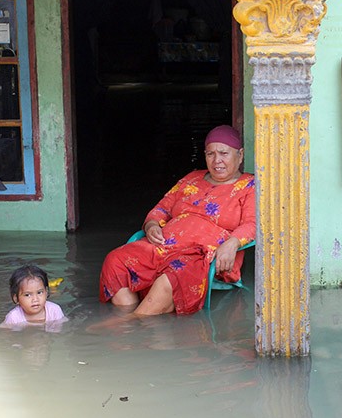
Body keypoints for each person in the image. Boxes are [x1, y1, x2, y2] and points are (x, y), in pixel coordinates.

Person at [98, 125, 256, 316]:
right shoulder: (192, 178)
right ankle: (131, 317)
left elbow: (253, 224)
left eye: (224, 153)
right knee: (115, 261)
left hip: (199, 254)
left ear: (240, 155)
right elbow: (162, 208)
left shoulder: (249, 185)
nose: (217, 161)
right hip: (162, 246)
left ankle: (128, 325)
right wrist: (152, 225)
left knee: (173, 275)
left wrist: (232, 243)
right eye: (210, 154)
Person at [0, 265, 68, 331]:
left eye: (39, 292)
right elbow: (2, 333)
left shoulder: (54, 311)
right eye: (27, 295)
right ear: (16, 298)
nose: (35, 299)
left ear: (46, 292)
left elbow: (62, 330)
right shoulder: (14, 318)